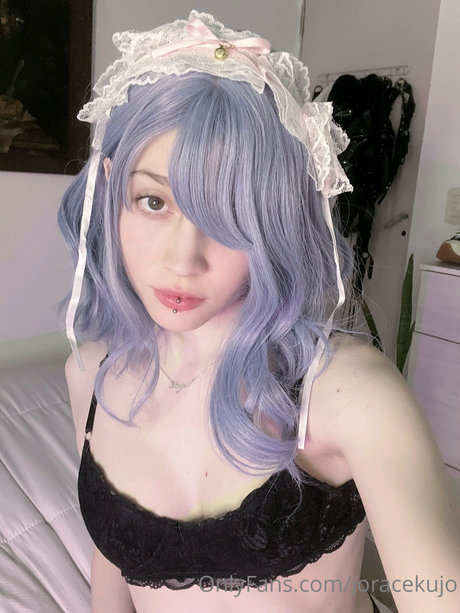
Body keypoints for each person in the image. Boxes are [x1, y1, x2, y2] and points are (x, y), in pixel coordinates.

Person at [59, 10, 460, 613]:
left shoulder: (348, 394)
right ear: (111, 189)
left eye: (231, 216)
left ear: (278, 222)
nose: (182, 260)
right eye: (153, 201)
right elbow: (112, 567)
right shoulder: (90, 375)